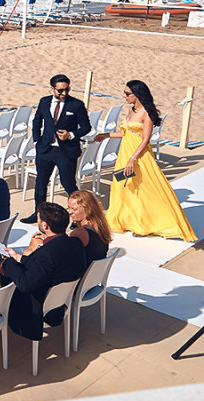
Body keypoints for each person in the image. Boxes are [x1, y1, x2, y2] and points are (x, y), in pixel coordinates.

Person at [94, 80, 196, 242]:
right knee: (124, 186)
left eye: (128, 94)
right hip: (124, 154)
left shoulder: (147, 113)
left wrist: (132, 159)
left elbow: (145, 139)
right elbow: (125, 133)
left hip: (139, 156)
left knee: (145, 188)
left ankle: (151, 223)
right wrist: (106, 135)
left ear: (137, 94)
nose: (125, 96)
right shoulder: (131, 109)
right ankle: (129, 220)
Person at [0, 202, 87, 341]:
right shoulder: (75, 243)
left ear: (45, 226)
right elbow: (44, 267)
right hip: (59, 303)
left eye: (39, 220)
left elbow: (25, 283)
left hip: (36, 309)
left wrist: (9, 263)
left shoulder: (46, 253)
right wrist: (17, 257)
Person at [21, 74, 91, 224]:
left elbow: (86, 127)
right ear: (52, 89)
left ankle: (78, 217)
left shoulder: (76, 105)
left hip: (66, 151)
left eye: (66, 89)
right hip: (46, 149)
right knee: (40, 183)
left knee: (68, 184)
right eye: (60, 91)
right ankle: (38, 214)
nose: (64, 93)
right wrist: (36, 141)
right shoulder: (44, 102)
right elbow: (37, 121)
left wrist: (71, 135)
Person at [67, 190, 112, 266]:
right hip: (95, 274)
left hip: (81, 274)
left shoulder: (80, 233)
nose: (69, 212)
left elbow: (61, 253)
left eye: (74, 209)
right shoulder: (100, 227)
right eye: (69, 208)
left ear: (88, 209)